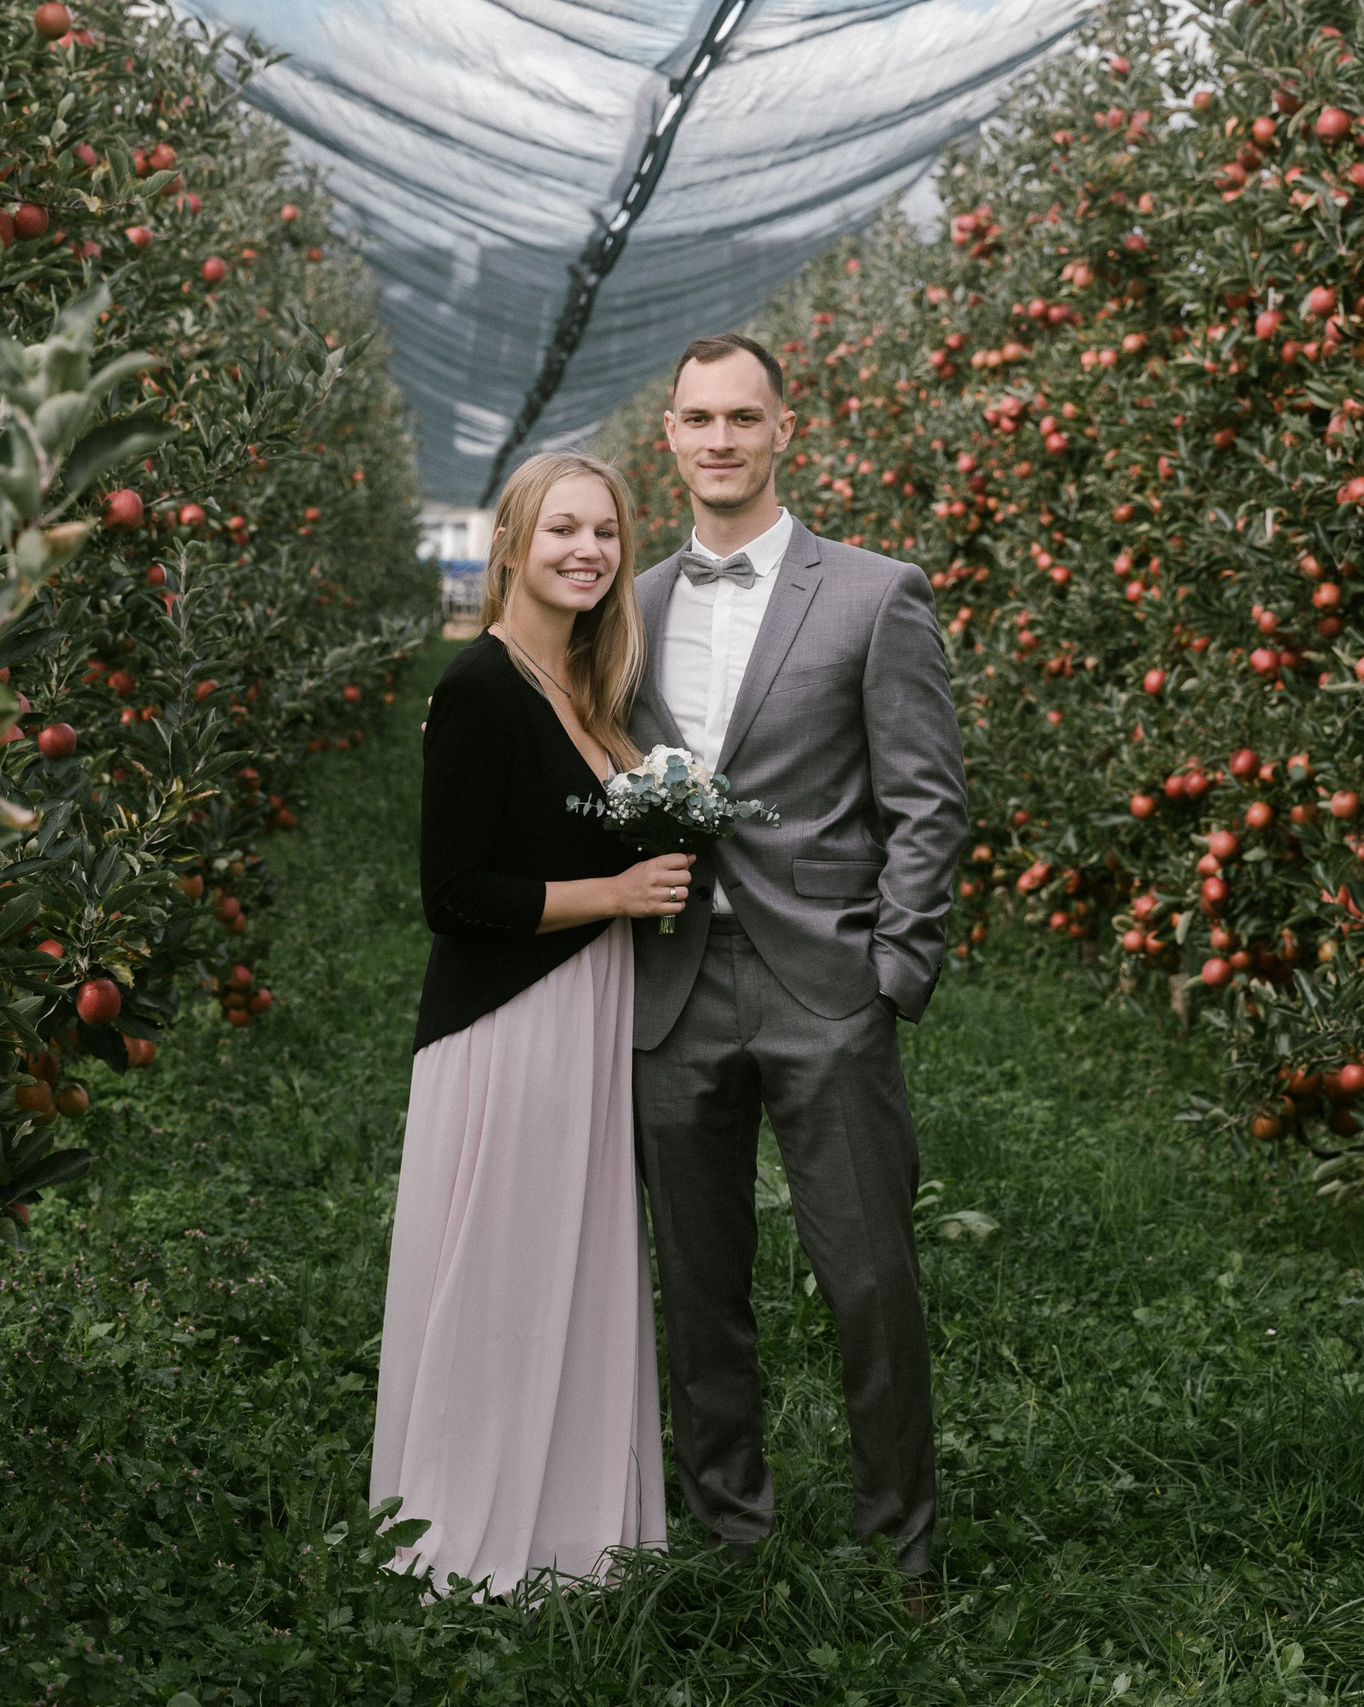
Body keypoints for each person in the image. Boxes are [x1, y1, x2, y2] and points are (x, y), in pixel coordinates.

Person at [628, 333, 968, 1617]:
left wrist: (895, 969)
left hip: (825, 983)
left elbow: (927, 801)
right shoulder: (633, 601)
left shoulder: (876, 595)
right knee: (697, 1282)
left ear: (786, 432)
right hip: (667, 983)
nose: (718, 441)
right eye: (696, 418)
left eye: (741, 419)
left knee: (869, 1277)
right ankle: (731, 1533)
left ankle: (905, 1557)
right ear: (669, 435)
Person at [370, 451, 694, 1597]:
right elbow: (452, 895)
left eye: (605, 534)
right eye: (562, 530)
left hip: (590, 1013)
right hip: (512, 1025)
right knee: (507, 1271)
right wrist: (617, 893)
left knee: (575, 1263)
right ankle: (472, 1530)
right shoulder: (481, 687)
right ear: (513, 540)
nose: (586, 552)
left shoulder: (593, 695)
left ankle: (573, 1527)